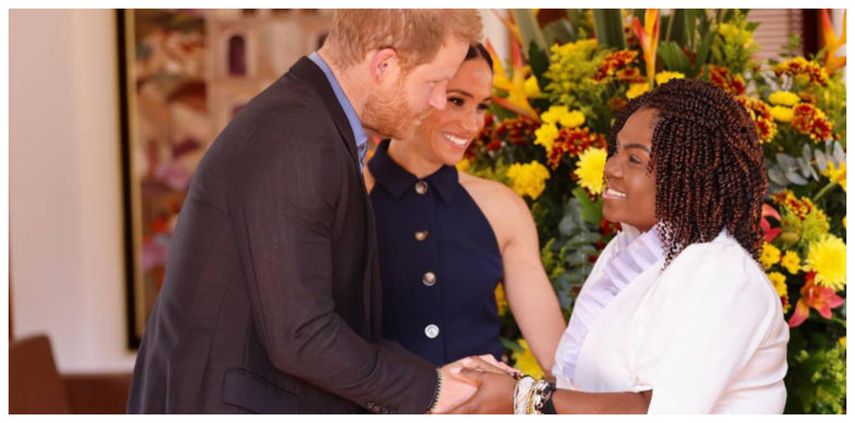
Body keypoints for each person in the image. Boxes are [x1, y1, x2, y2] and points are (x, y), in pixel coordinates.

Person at [127, 9, 501, 414]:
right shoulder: (294, 136)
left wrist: (434, 380)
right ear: (386, 65)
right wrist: (433, 389)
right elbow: (301, 336)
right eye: (434, 82)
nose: (437, 101)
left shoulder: (311, 123)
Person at [445, 78, 790, 414]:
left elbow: (658, 411)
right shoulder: (626, 251)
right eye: (616, 151)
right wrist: (509, 387)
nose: (611, 168)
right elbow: (584, 390)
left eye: (634, 159)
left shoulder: (722, 273)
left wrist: (523, 397)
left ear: (687, 173)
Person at [363, 43, 565, 371]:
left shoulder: (503, 208)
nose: (472, 125)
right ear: (412, 89)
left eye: (481, 106)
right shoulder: (347, 198)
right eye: (456, 101)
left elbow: (558, 359)